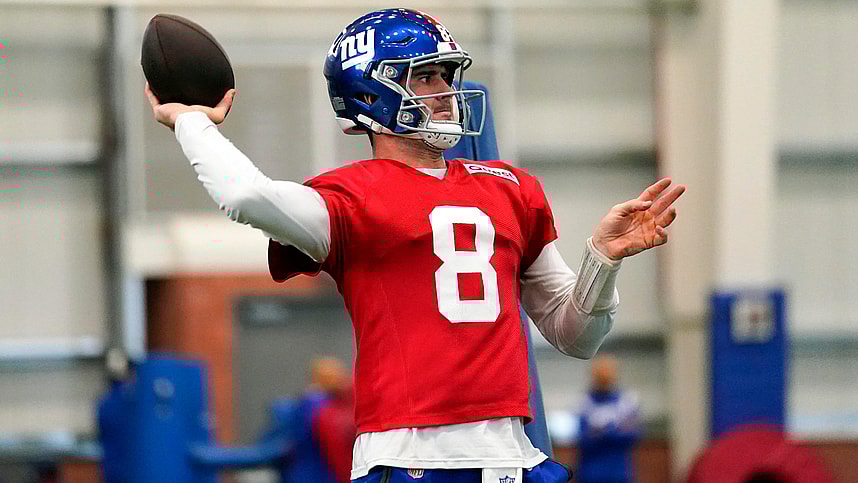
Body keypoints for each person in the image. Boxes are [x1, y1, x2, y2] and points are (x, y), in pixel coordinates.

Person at [144, 8, 685, 483]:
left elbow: (577, 336)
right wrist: (190, 120)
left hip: (514, 459)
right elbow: (247, 196)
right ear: (372, 89)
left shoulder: (512, 188)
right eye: (425, 76)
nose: (445, 91)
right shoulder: (350, 195)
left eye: (446, 74)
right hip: (410, 457)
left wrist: (602, 259)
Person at [575, 355, 641, 483]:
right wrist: (615, 430)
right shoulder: (584, 402)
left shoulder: (627, 401)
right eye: (600, 375)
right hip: (590, 473)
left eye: (608, 374)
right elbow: (584, 439)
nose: (604, 379)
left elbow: (633, 435)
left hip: (619, 473)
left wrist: (601, 432)